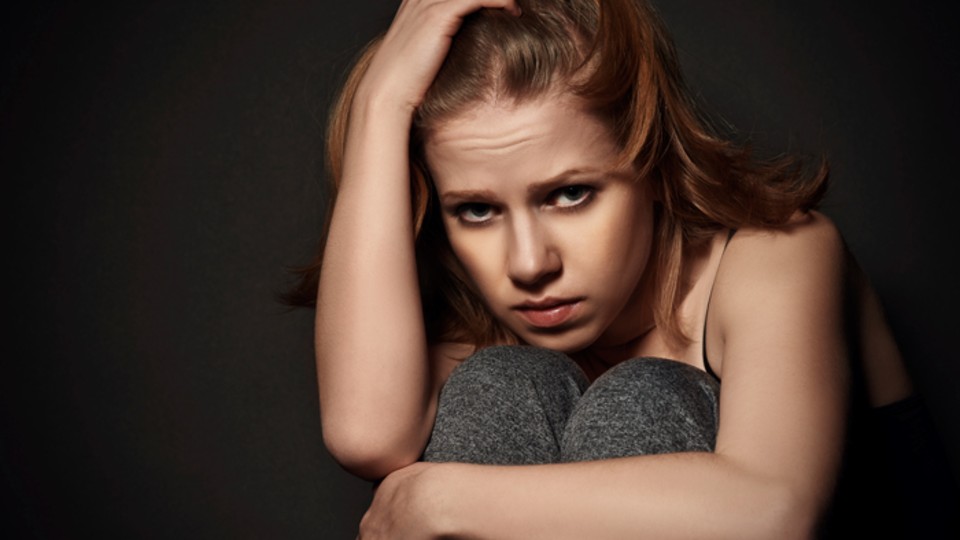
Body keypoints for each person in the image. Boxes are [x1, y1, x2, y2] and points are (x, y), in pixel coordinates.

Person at [284, 0, 959, 537]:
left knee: (644, 399)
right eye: (478, 211)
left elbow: (771, 511)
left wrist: (438, 499)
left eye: (570, 194)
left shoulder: (777, 256)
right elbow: (365, 433)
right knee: (499, 383)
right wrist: (381, 105)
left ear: (653, 165)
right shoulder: (486, 340)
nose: (529, 264)